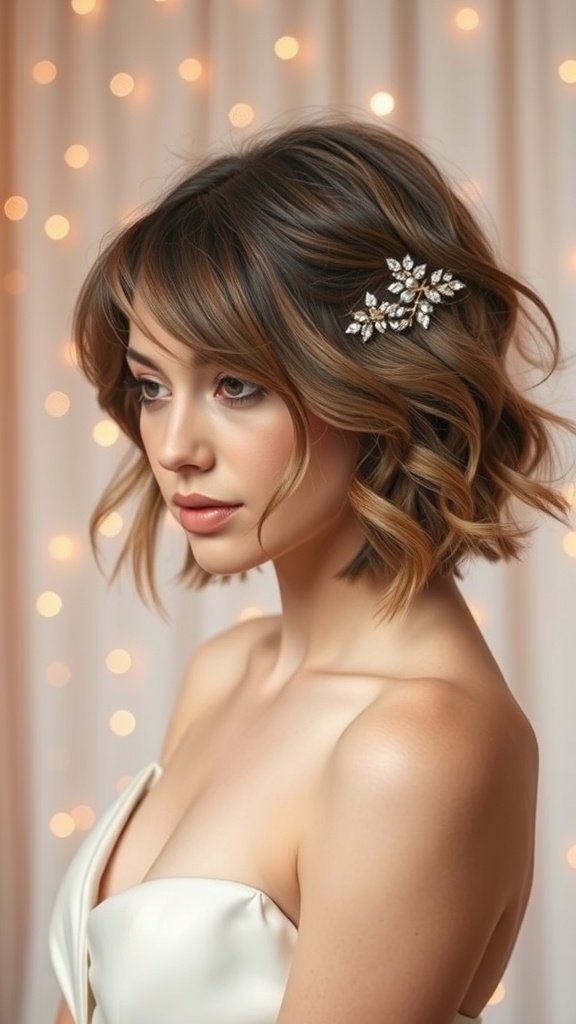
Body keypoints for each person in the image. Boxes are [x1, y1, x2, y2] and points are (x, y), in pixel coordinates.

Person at [50, 117, 572, 1024]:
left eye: (237, 385)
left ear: (380, 388)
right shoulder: (227, 670)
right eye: (152, 385)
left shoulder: (416, 748)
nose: (173, 447)